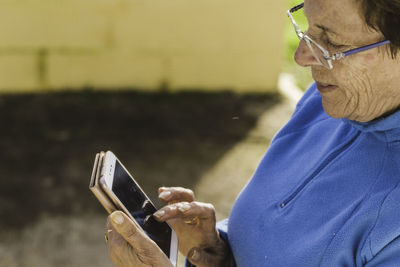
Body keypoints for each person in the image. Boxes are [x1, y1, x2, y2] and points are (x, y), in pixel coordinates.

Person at [104, 0, 400, 265]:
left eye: (331, 42)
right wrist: (220, 254)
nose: (301, 56)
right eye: (307, 27)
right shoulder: (328, 99)